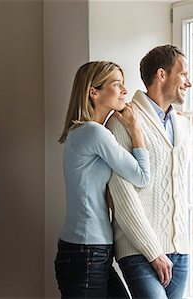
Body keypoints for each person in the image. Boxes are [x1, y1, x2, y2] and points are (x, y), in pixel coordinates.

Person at [55, 61, 150, 298]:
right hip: (87, 251)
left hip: (87, 249)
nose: (124, 91)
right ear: (93, 92)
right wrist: (136, 129)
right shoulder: (94, 133)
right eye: (117, 85)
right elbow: (141, 176)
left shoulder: (84, 131)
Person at [106, 45, 192, 299]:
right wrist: (154, 252)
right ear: (162, 75)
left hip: (180, 252)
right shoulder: (123, 120)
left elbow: (178, 186)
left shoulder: (183, 125)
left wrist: (183, 247)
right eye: (184, 74)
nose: (189, 82)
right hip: (138, 250)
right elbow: (122, 196)